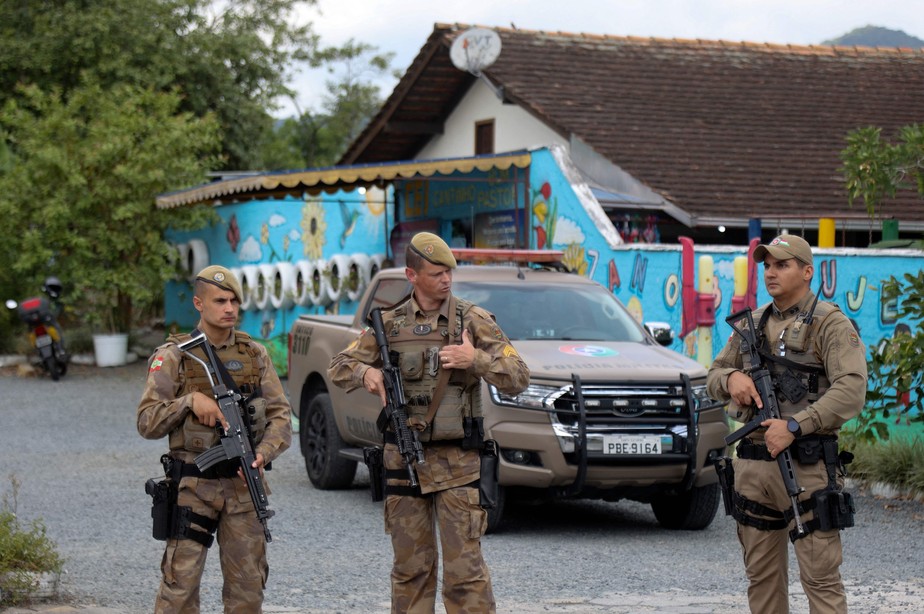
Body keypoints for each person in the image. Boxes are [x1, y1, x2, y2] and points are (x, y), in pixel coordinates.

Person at [328, 232, 529, 613]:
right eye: (436, 273)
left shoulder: (472, 319)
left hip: (458, 464)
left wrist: (476, 361)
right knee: (410, 572)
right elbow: (338, 365)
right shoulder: (388, 325)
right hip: (403, 462)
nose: (446, 280)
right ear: (411, 274)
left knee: (465, 576)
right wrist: (366, 376)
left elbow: (519, 376)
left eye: (449, 272)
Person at [707, 234, 868, 614]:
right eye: (766, 265)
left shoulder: (829, 323)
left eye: (782, 264)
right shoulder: (753, 324)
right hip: (753, 466)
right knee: (761, 581)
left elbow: (852, 390)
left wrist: (795, 426)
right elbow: (713, 374)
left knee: (821, 582)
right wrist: (732, 380)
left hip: (805, 468)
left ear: (807, 272)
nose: (770, 273)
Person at [137, 265, 291, 613]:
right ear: (198, 304)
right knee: (179, 590)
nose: (229, 308)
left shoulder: (255, 354)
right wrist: (188, 401)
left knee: (248, 592)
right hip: (193, 488)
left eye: (234, 300)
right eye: (220, 300)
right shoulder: (175, 356)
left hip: (243, 488)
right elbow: (147, 421)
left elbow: (282, 417)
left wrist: (263, 454)